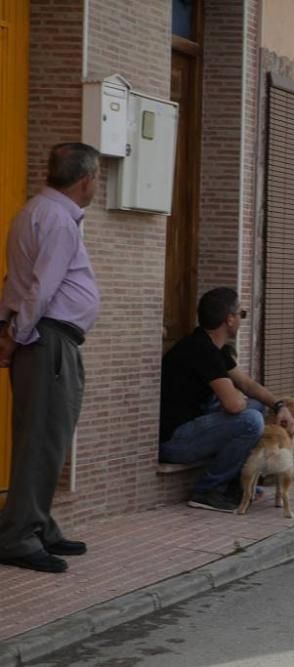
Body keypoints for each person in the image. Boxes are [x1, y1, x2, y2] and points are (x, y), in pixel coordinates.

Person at [0, 143, 102, 573]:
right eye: (98, 177)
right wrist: (16, 333)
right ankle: (20, 536)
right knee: (43, 440)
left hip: (42, 340)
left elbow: (15, 280)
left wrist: (9, 328)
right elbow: (40, 288)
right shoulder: (59, 220)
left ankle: (36, 524)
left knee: (42, 438)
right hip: (49, 342)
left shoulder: (33, 211)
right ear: (86, 180)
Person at [159, 288, 294, 512]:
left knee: (257, 405)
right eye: (241, 313)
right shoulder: (202, 350)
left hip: (193, 428)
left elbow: (248, 385)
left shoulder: (213, 348)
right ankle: (208, 490)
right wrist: (237, 398)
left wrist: (279, 406)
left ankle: (236, 483)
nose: (241, 319)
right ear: (229, 319)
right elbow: (234, 404)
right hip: (174, 442)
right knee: (250, 420)